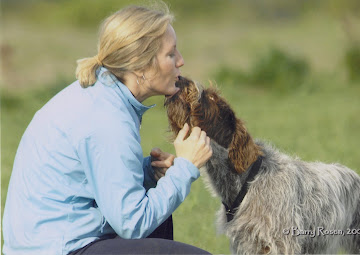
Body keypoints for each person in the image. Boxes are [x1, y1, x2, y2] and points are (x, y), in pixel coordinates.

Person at [2, 3, 213, 255]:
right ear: (140, 66)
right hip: (59, 248)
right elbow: (133, 225)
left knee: (156, 205)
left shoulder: (103, 96)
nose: (181, 61)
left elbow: (88, 181)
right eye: (170, 54)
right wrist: (185, 168)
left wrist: (148, 172)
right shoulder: (107, 118)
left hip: (47, 244)